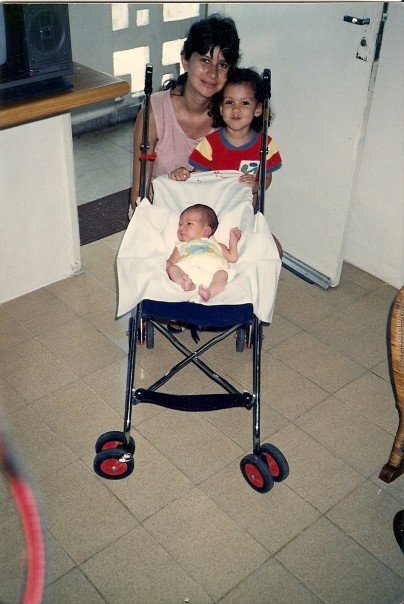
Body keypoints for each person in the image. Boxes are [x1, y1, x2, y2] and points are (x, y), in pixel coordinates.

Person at [130, 14, 241, 213]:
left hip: (214, 216)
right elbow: (139, 195)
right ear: (185, 60)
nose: (213, 73)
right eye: (205, 60)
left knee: (270, 244)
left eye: (222, 65)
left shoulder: (232, 116)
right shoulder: (155, 111)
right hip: (163, 214)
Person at [168, 67, 282, 210]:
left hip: (246, 216)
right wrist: (184, 174)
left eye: (244, 103)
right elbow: (198, 178)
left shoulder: (265, 144)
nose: (236, 109)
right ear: (221, 108)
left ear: (258, 109)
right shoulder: (210, 143)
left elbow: (267, 177)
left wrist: (256, 186)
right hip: (214, 211)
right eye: (229, 102)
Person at [166, 204, 241, 301]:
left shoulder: (216, 244)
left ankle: (210, 292)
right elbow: (171, 262)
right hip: (188, 272)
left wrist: (233, 241)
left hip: (214, 272)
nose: (181, 228)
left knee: (223, 274)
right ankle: (186, 284)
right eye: (180, 224)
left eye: (189, 224)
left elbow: (232, 258)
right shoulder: (181, 245)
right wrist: (168, 265)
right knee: (173, 269)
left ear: (206, 230)